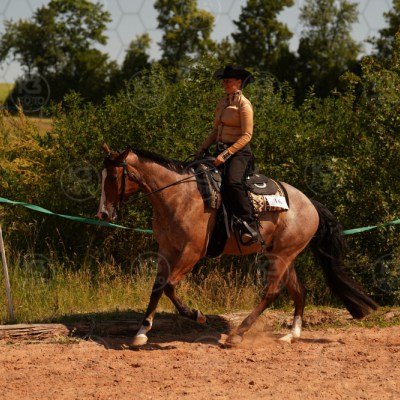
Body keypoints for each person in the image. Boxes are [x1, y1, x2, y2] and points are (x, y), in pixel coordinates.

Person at [195, 65, 258, 245]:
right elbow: (216, 130)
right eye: (224, 81)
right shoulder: (223, 102)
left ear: (239, 82)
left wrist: (226, 154)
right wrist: (202, 148)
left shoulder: (244, 104)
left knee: (232, 182)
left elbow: (247, 135)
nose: (224, 84)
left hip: (239, 152)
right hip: (221, 150)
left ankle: (249, 224)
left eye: (228, 81)